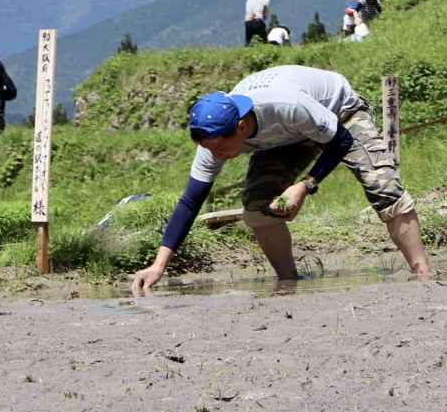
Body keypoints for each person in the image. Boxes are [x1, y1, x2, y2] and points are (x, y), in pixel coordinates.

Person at [129, 65, 431, 294]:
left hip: (340, 115)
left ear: (242, 126)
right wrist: (159, 265)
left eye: (221, 147)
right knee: (257, 205)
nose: (217, 155)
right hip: (286, 137)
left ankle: (423, 276)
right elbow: (191, 200)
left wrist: (305, 185)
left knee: (383, 185)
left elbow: (340, 139)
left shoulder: (287, 104)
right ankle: (288, 284)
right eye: (210, 149)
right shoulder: (213, 143)